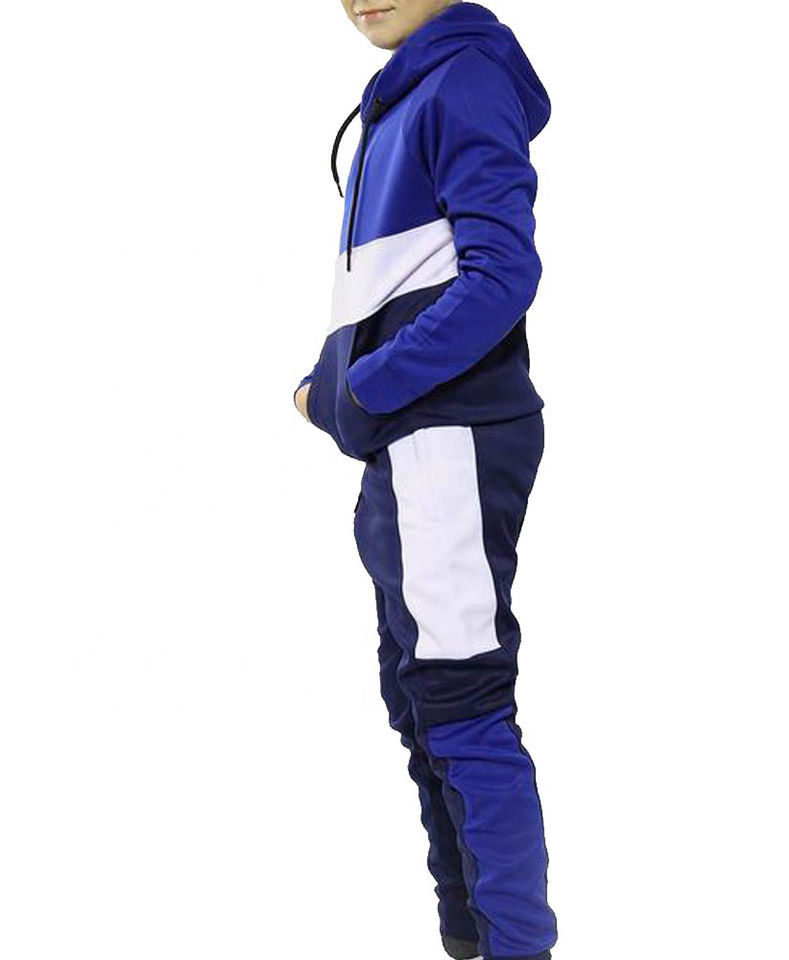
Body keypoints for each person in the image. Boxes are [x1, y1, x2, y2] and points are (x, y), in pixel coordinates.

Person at [293, 3, 557, 958]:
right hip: (407, 444)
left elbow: (501, 275)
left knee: (459, 699)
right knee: (418, 700)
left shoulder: (463, 80)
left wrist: (363, 386)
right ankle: (469, 940)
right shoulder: (401, 95)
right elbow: (399, 287)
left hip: (446, 440)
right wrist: (329, 383)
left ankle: (514, 946)